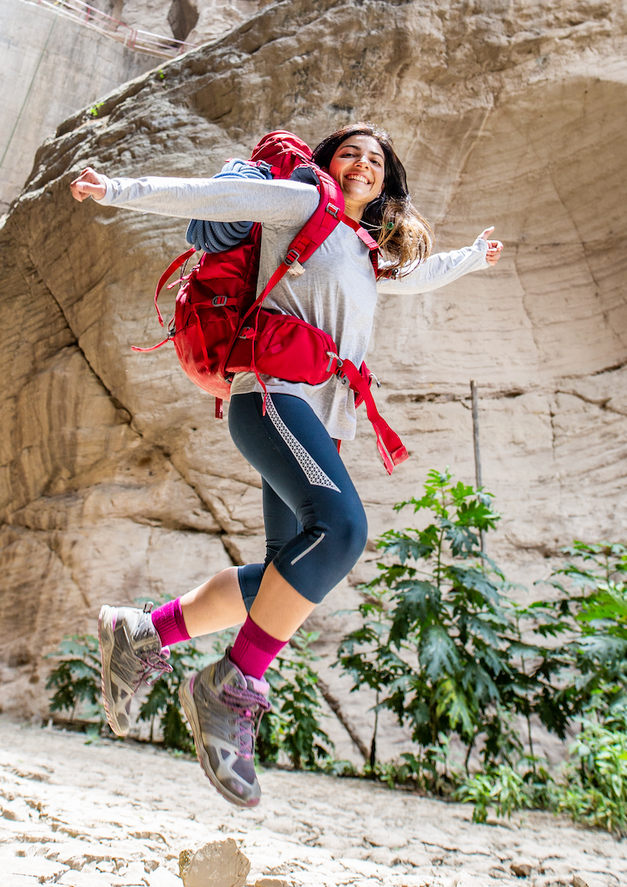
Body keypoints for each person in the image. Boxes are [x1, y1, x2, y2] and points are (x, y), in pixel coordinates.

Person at [69, 122, 503, 808]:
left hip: (319, 422)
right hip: (274, 398)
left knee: (283, 571)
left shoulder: (368, 253)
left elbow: (420, 277)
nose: (362, 162)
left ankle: (143, 631)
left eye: (376, 159)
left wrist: (474, 256)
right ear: (328, 162)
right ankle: (231, 684)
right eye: (349, 151)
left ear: (387, 183)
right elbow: (212, 197)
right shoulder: (303, 205)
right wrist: (117, 189)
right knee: (343, 530)